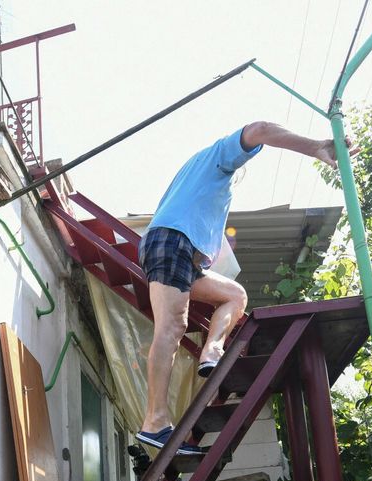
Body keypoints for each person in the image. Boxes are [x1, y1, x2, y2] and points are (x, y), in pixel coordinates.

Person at [134, 122, 353, 455]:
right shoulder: (217, 157)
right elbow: (260, 129)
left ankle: (212, 352)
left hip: (182, 253)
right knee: (172, 325)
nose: (238, 172)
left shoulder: (200, 187)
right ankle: (155, 423)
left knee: (235, 296)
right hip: (170, 242)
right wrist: (315, 147)